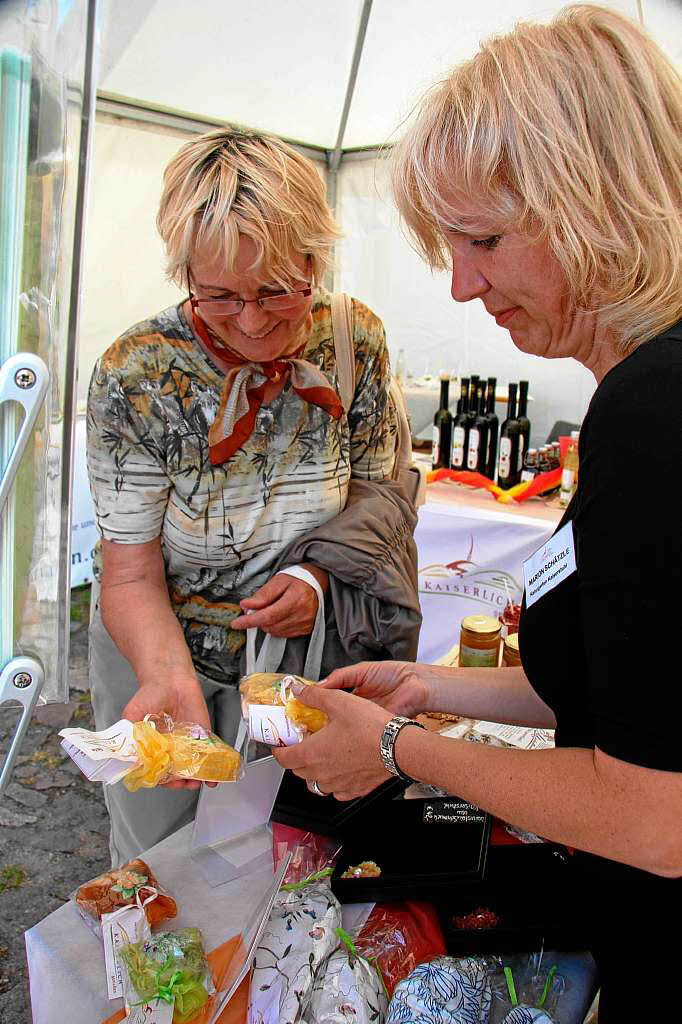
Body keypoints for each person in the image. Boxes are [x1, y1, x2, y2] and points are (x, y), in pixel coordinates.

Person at [273, 6, 682, 1019]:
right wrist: (431, 685)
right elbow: (637, 689)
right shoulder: (642, 393)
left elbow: (653, 813)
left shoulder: (653, 409)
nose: (461, 284)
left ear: (600, 204)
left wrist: (387, 748)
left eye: (484, 240)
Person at [86, 128, 421, 864]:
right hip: (166, 644)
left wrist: (317, 574)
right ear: (186, 275)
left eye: (276, 289)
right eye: (218, 296)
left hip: (298, 662)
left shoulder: (351, 340)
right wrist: (166, 675)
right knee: (161, 860)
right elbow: (131, 572)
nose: (250, 319)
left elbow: (385, 495)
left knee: (280, 855)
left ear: (315, 258)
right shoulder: (138, 374)